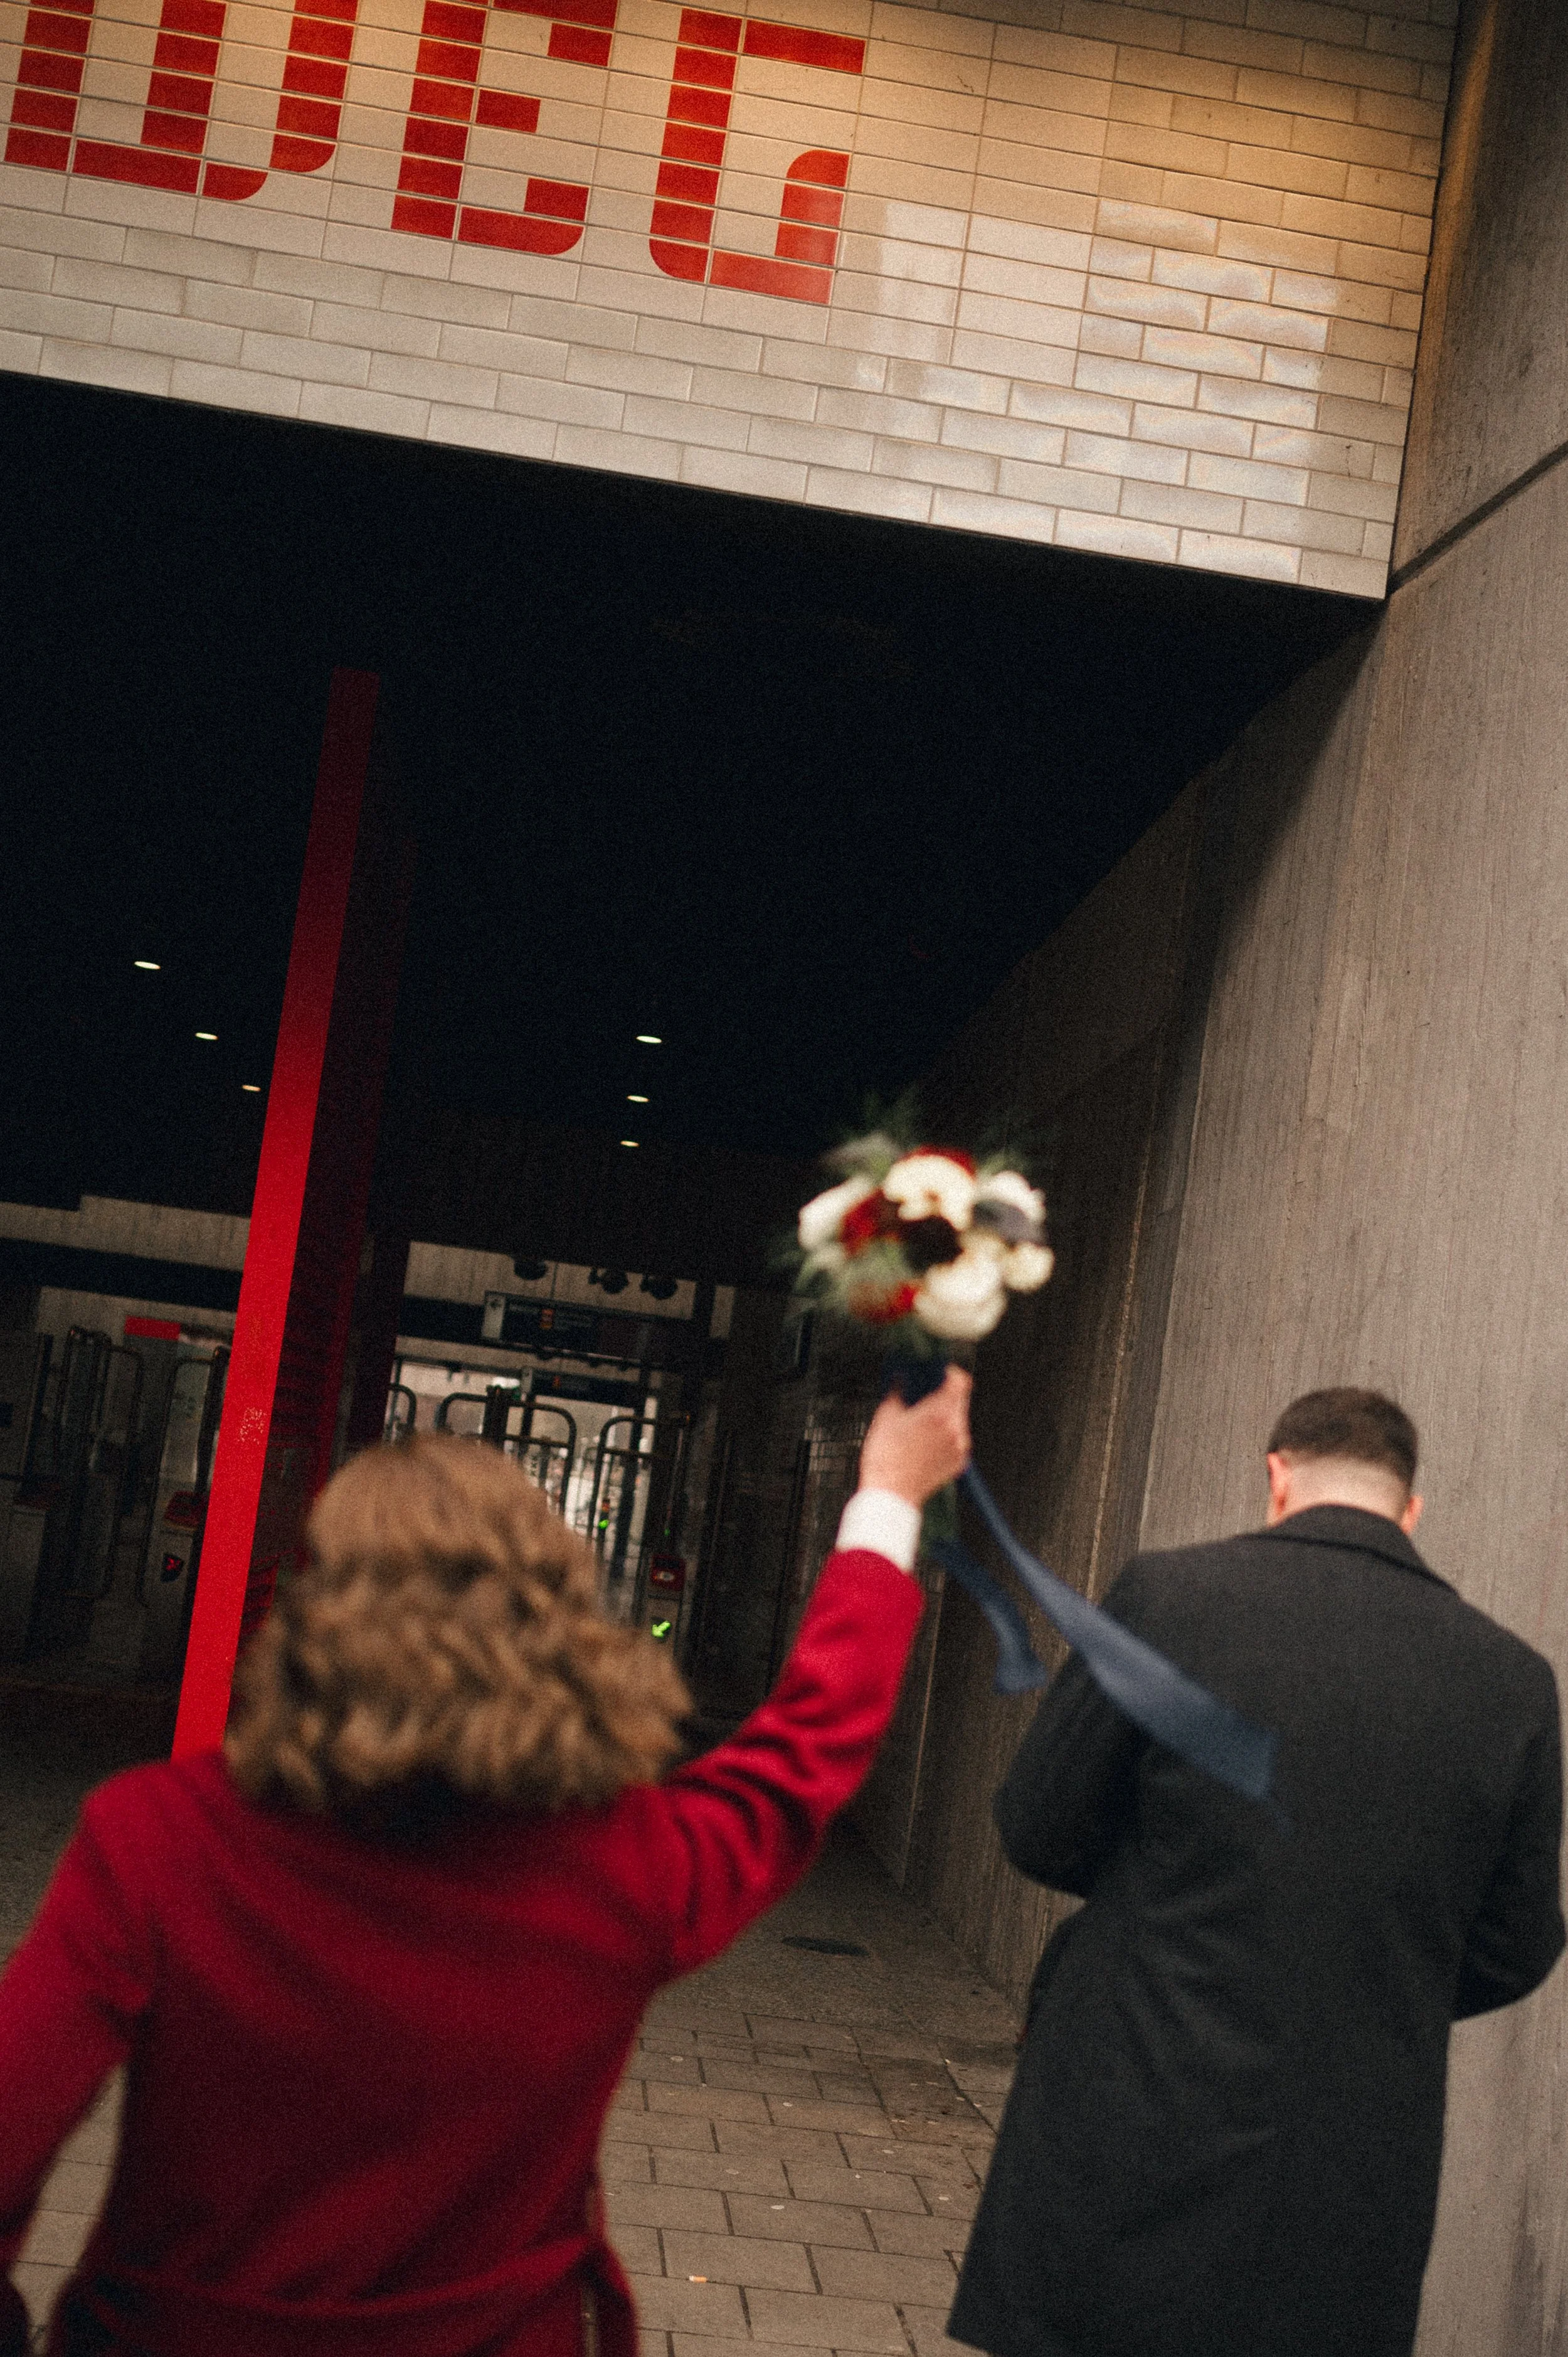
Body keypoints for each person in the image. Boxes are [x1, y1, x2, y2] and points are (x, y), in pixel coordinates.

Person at [0, 1367, 972, 2357]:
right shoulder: (622, 1865)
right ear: (550, 1619)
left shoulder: (158, 1839)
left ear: (319, 1603)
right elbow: (797, 1759)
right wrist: (887, 1499)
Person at [950, 1386, 1565, 2357]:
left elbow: (1040, 1825)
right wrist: (1375, 1986)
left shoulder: (1172, 1600)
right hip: (1348, 2156)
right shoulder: (1513, 1682)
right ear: (1411, 1511)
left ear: (1277, 1479)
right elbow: (1518, 1942)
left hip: (1132, 2096)